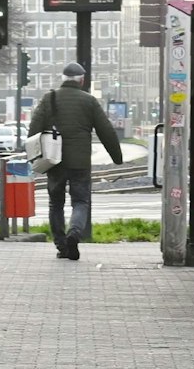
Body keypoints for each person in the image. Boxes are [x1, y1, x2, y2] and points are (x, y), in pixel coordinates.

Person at [28, 62, 124, 261]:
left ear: (63, 79)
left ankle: (62, 246)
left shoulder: (49, 98)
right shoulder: (89, 101)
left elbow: (33, 130)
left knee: (56, 203)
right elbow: (106, 130)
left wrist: (34, 156)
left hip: (54, 160)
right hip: (80, 162)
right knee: (80, 201)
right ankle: (74, 233)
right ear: (82, 80)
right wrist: (117, 157)